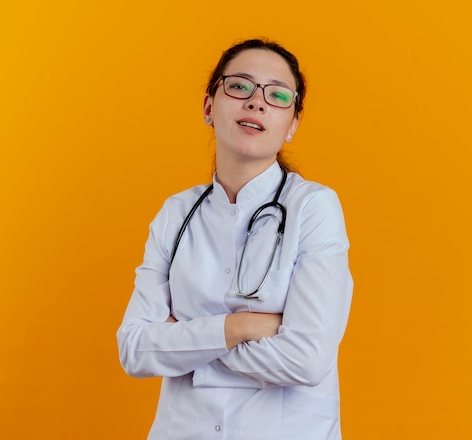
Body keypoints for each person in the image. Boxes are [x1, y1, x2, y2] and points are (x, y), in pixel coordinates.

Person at [117, 38, 353, 440]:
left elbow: (308, 360)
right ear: (210, 107)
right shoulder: (176, 212)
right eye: (239, 86)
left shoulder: (313, 207)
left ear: (292, 123)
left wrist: (185, 342)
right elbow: (135, 349)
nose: (257, 102)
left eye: (278, 95)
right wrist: (241, 326)